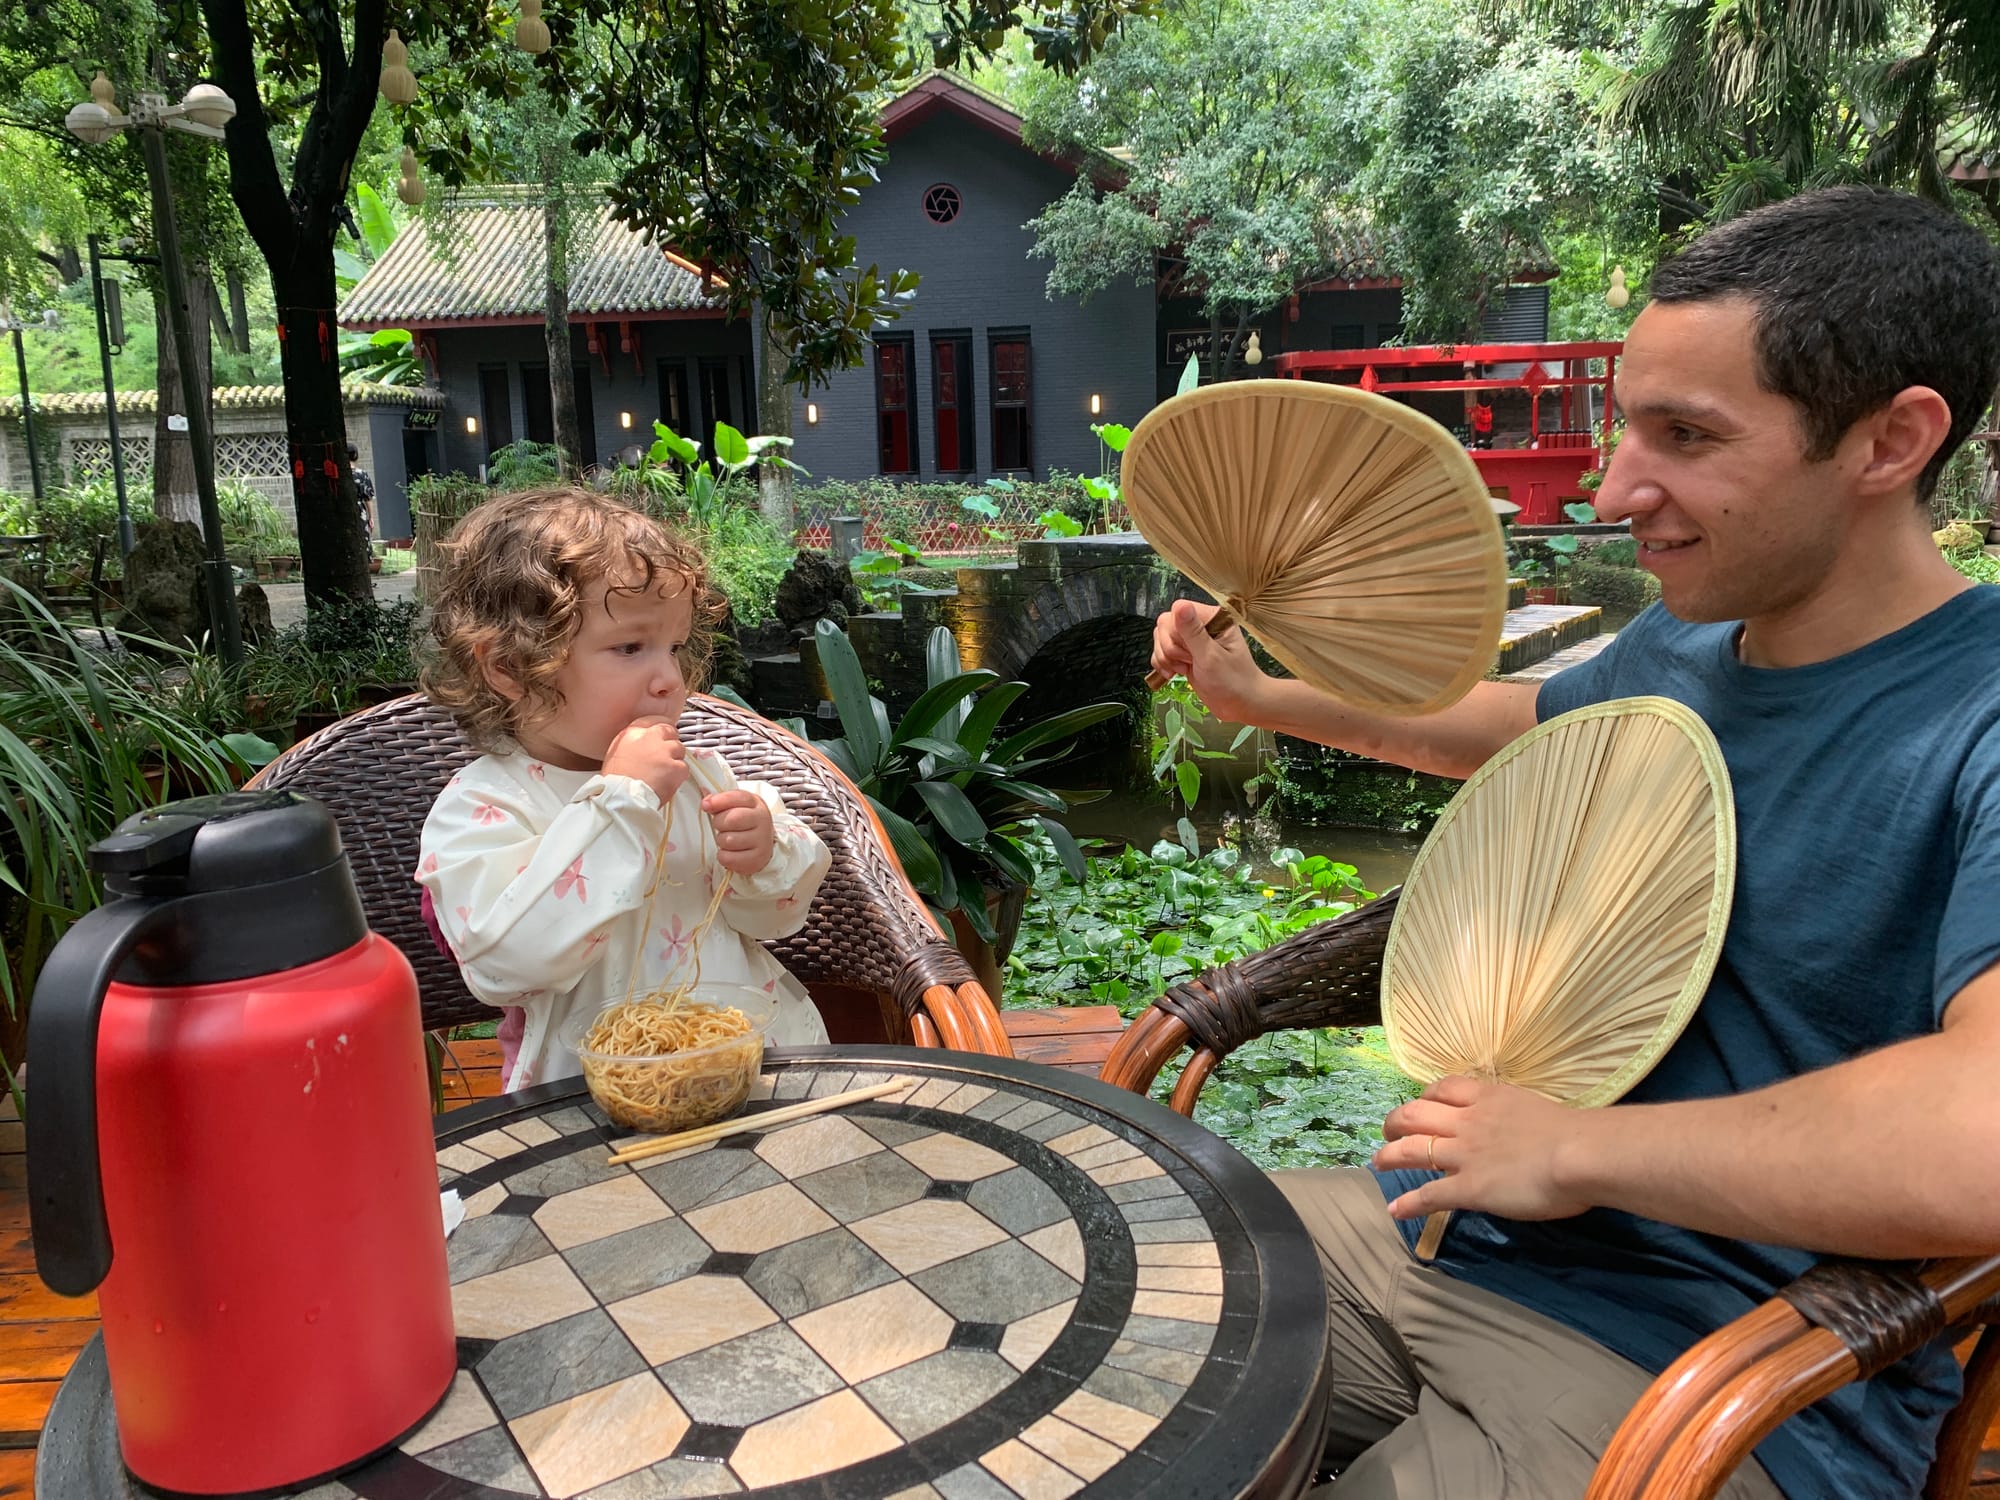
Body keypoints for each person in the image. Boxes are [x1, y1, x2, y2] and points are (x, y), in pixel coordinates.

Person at [1151, 186, 2000, 1500]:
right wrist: (1262, 696)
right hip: (1430, 1245)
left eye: (1686, 438)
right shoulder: (1683, 642)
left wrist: (1570, 1149)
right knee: (1099, 1305)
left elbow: (1981, 1136)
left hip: (1709, 1368)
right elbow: (1509, 723)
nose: (1612, 493)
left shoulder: (1980, 717)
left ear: (1891, 440)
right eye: (1622, 430)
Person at [416, 487, 831, 1092]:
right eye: (630, 648)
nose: (669, 679)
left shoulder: (700, 775)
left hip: (750, 1065)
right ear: (507, 667)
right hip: (582, 1099)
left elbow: (779, 917)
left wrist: (767, 855)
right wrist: (621, 801)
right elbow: (505, 968)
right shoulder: (485, 809)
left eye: (674, 646)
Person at [347, 442, 375, 541]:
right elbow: (368, 498)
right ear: (355, 455)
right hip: (359, 512)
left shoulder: (338, 475)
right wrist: (371, 517)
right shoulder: (362, 475)